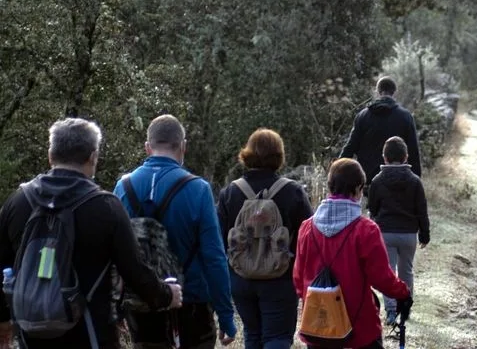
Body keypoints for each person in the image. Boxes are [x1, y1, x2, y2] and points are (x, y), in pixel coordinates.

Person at [0, 118, 183, 349]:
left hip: (31, 335)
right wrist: (167, 295)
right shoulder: (106, 206)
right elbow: (135, 272)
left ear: (50, 155)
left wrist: (3, 319)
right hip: (91, 334)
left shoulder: (18, 201)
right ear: (93, 156)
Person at [114, 114, 237, 348]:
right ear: (183, 146)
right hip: (191, 304)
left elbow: (114, 253)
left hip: (142, 303)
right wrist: (226, 315)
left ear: (147, 147)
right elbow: (214, 257)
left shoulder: (123, 187)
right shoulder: (198, 189)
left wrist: (116, 307)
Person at [294, 158, 412, 349]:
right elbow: (381, 278)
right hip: (360, 326)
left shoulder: (306, 228)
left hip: (319, 324)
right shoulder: (366, 230)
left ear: (330, 186)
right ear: (358, 189)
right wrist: (403, 293)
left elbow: (299, 280)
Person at [217, 128, 313, 349]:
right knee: (277, 337)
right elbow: (308, 238)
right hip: (280, 279)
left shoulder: (230, 193)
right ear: (279, 156)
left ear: (247, 153)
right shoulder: (293, 191)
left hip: (241, 278)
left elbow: (219, 240)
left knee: (253, 335)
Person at [367, 136, 429, 326]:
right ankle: (405, 306)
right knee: (406, 271)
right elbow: (421, 210)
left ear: (384, 157)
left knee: (388, 273)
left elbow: (373, 208)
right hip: (409, 233)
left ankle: (391, 311)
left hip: (385, 233)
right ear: (406, 157)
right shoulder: (415, 181)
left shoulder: (377, 181)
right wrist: (424, 234)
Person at [340, 77, 423, 187]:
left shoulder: (362, 116)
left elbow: (350, 147)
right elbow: (413, 151)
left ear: (378, 91)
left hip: (368, 181)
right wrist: (416, 180)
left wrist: (337, 170)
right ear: (394, 92)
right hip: (398, 182)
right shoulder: (405, 116)